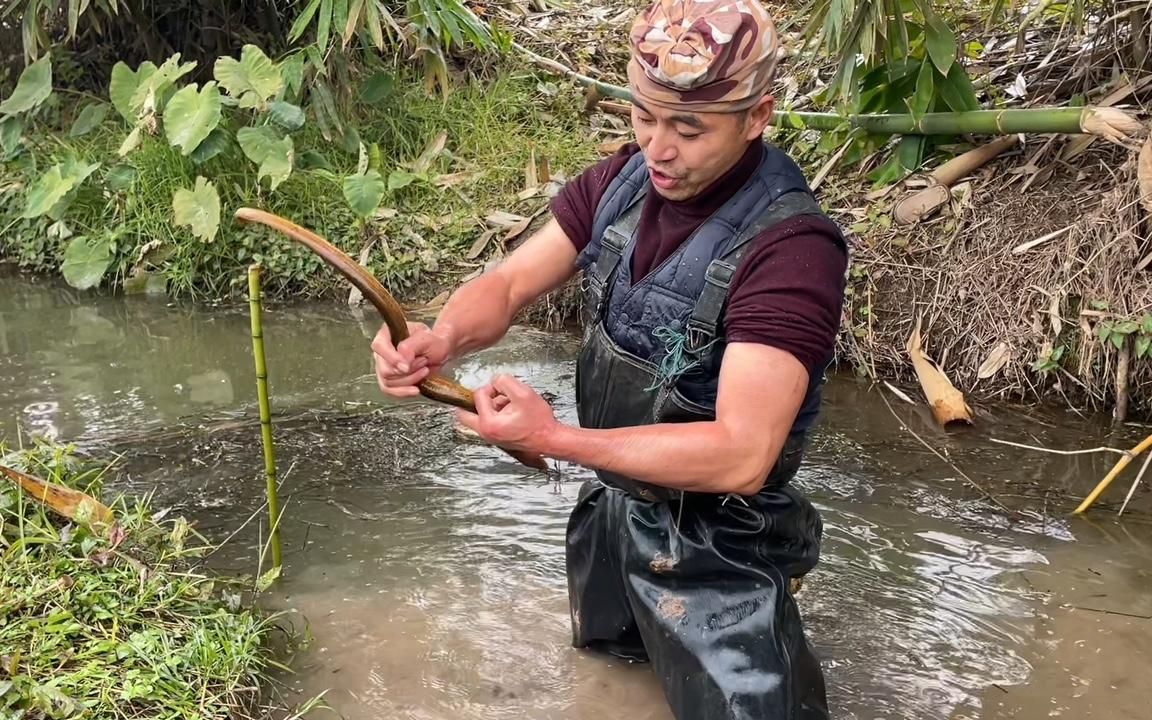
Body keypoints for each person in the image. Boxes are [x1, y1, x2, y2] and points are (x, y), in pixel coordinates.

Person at [371, 0, 848, 717]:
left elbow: (742, 453)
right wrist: (439, 339)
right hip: (613, 510)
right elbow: (506, 283)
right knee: (608, 682)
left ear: (757, 117)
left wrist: (552, 440)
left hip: (722, 541)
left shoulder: (791, 250)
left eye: (689, 129)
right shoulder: (622, 185)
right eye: (644, 117)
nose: (659, 148)